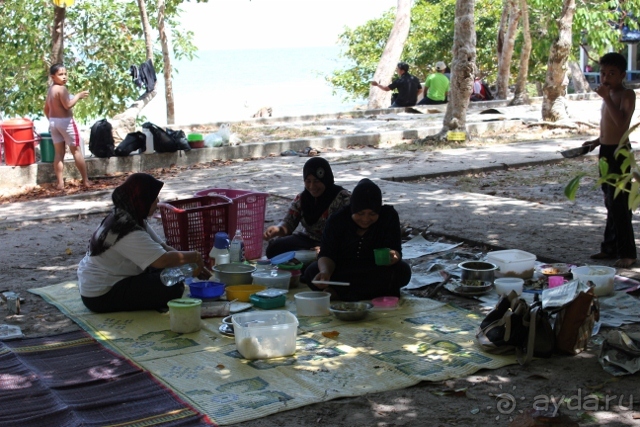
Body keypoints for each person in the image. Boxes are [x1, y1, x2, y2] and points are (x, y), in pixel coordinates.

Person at [77, 173, 208, 313]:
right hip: (101, 294)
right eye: (153, 198)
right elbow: (161, 260)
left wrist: (190, 262)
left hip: (109, 280)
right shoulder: (126, 230)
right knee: (173, 287)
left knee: (170, 272)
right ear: (143, 199)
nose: (157, 202)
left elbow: (163, 248)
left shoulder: (127, 215)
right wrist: (195, 257)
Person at [304, 178, 412, 301]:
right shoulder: (337, 219)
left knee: (402, 271)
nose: (366, 219)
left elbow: (396, 249)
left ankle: (340, 293)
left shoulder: (388, 217)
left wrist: (393, 256)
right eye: (360, 214)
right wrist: (325, 272)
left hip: (374, 270)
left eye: (372, 214)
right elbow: (327, 253)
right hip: (343, 268)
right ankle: (368, 292)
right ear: (353, 209)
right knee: (311, 272)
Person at [582, 52, 637, 268]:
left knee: (620, 204)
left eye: (612, 74)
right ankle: (610, 247)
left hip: (620, 153)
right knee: (609, 202)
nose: (606, 78)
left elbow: (622, 126)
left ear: (622, 75)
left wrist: (606, 97)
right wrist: (595, 142)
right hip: (605, 150)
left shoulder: (626, 95)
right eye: (603, 73)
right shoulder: (609, 96)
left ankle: (628, 253)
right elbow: (609, 127)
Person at [264, 157, 351, 260]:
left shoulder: (344, 199)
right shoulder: (302, 199)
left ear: (326, 179)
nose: (312, 186)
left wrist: (325, 247)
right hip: (308, 240)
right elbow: (288, 223)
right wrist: (278, 229)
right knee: (274, 248)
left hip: (335, 243)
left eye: (316, 181)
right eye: (308, 181)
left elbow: (349, 232)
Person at [44, 63, 91, 191]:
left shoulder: (51, 90)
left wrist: (53, 121)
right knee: (76, 150)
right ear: (53, 77)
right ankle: (86, 180)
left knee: (59, 153)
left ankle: (60, 183)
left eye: (65, 74)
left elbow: (46, 109)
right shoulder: (61, 89)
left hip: (53, 122)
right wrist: (78, 96)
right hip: (66, 122)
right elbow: (68, 105)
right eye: (60, 75)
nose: (64, 77)